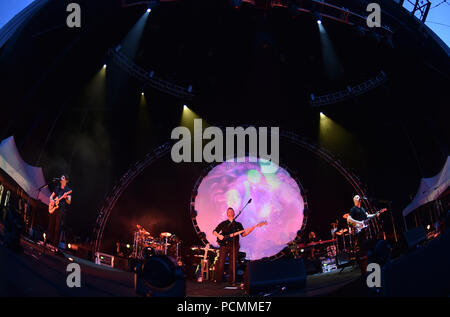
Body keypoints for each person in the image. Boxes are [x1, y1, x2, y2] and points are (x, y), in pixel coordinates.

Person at [213, 207, 255, 285]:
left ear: (234, 213)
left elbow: (243, 234)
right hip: (224, 245)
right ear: (227, 214)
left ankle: (231, 281)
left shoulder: (238, 225)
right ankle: (218, 281)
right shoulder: (223, 223)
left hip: (234, 246)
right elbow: (214, 231)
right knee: (221, 262)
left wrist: (251, 229)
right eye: (228, 211)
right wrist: (219, 236)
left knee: (233, 264)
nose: (230, 212)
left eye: (231, 211)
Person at [347, 195, 379, 274]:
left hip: (364, 229)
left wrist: (375, 214)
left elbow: (367, 216)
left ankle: (369, 263)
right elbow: (349, 219)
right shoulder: (353, 209)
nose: (359, 198)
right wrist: (358, 223)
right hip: (358, 230)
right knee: (362, 247)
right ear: (354, 200)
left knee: (367, 245)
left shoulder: (362, 208)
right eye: (357, 197)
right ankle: (364, 267)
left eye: (359, 197)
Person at [47, 174, 72, 248]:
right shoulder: (57, 188)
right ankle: (48, 242)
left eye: (63, 177)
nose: (61, 178)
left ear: (66, 181)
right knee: (51, 225)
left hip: (61, 210)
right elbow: (51, 196)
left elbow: (69, 202)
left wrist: (66, 197)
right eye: (61, 177)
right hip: (54, 207)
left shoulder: (68, 190)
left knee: (57, 227)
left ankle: (54, 246)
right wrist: (51, 201)